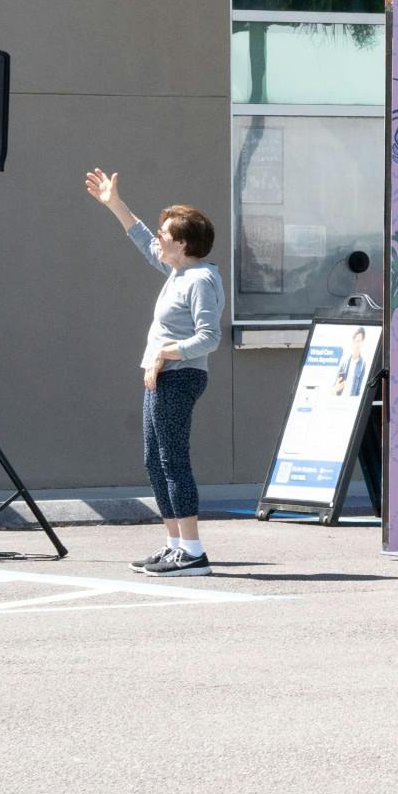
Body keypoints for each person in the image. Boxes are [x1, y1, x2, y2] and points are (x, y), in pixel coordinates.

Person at [85, 168, 225, 577]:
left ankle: (193, 552)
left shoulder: (200, 280)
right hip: (161, 377)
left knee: (173, 459)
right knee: (154, 460)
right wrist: (114, 203)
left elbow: (209, 337)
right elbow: (142, 239)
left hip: (180, 377)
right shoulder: (178, 272)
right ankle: (175, 544)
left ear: (183, 243)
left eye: (165, 234)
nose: (159, 238)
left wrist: (165, 353)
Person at [335, 327, 369, 397]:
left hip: (352, 401)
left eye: (359, 341)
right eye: (356, 341)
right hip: (339, 399)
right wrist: (336, 388)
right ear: (353, 341)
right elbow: (334, 385)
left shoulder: (363, 364)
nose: (357, 344)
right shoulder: (344, 362)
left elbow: (359, 388)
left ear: (362, 342)